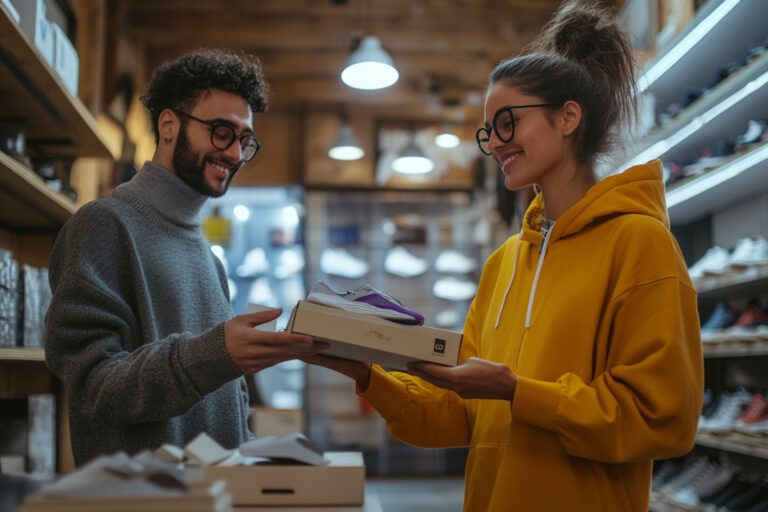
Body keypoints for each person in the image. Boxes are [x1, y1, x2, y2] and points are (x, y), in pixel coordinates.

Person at [303, 2, 704, 510]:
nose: (493, 144)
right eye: (487, 131)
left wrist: (517, 391)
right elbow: (460, 416)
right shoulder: (505, 261)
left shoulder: (639, 243)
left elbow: (661, 417)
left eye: (507, 124)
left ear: (568, 117)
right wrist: (367, 374)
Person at [44, 48, 326, 467]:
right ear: (169, 125)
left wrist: (253, 456)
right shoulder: (102, 226)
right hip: (141, 494)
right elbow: (94, 387)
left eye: (244, 140)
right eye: (221, 132)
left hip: (217, 492)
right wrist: (215, 353)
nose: (234, 154)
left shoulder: (209, 258)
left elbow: (226, 397)